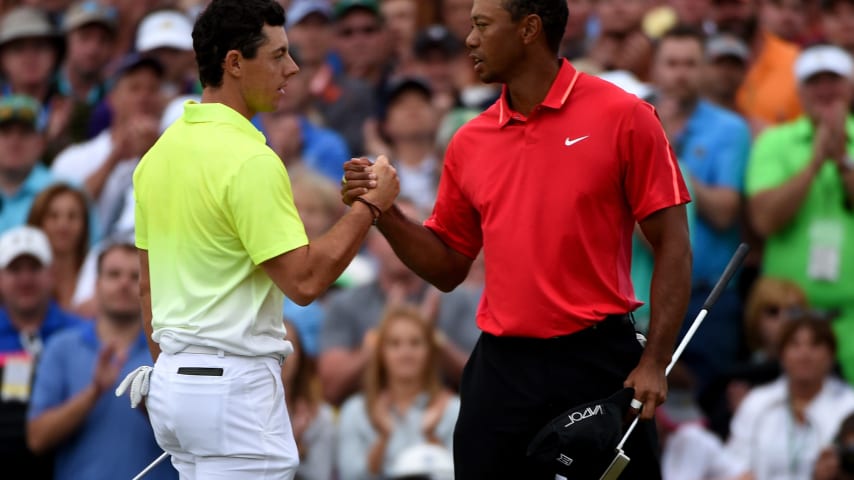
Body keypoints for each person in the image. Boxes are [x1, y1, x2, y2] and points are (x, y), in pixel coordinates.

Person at [342, 0, 692, 477]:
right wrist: (383, 212)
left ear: (529, 29)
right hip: (502, 368)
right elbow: (447, 267)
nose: (469, 39)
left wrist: (655, 359)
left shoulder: (625, 116)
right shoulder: (469, 140)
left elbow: (673, 243)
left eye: (482, 26)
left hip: (600, 362)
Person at [128, 1, 399, 479]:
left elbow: (148, 290)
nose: (292, 68)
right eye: (278, 55)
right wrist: (371, 207)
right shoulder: (251, 159)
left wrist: (183, 377)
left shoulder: (158, 154)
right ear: (235, 63)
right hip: (232, 391)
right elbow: (306, 281)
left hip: (171, 384)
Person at [745, 44, 854, 382]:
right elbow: (765, 220)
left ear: (850, 86)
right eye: (814, 81)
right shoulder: (774, 142)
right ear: (799, 90)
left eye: (833, 80)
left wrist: (841, 162)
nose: (824, 90)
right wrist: (814, 163)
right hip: (789, 322)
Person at [26, 242, 178, 480]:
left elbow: (191, 434)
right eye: (114, 274)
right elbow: (37, 438)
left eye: (134, 276)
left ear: (147, 286)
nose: (124, 283)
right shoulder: (61, 347)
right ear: (96, 285)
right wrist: (94, 392)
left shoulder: (168, 350)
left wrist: (146, 405)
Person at [336, 304, 460, 480]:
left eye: (415, 343)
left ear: (430, 351)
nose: (406, 353)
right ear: (381, 353)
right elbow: (351, 475)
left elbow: (459, 473)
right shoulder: (355, 411)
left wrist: (431, 437)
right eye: (395, 344)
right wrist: (383, 439)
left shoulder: (452, 410)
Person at [724, 315, 854, 480]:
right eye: (795, 345)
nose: (804, 354)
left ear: (831, 354)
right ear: (782, 355)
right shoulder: (757, 402)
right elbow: (733, 464)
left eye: (815, 345)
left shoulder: (850, 404)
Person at [0, 226, 85, 478]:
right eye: (15, 270)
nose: (26, 279)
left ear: (52, 274)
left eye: (34, 269)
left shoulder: (81, 335)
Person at [281, 320, 336, 480]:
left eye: (289, 345)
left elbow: (320, 475)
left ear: (301, 357)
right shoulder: (239, 411)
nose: (281, 352)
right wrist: (294, 444)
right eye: (273, 344)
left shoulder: (319, 417)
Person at [26, 183, 92, 312]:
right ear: (38, 221)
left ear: (85, 225)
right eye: (53, 216)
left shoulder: (98, 274)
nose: (63, 225)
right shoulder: (22, 278)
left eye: (72, 216)